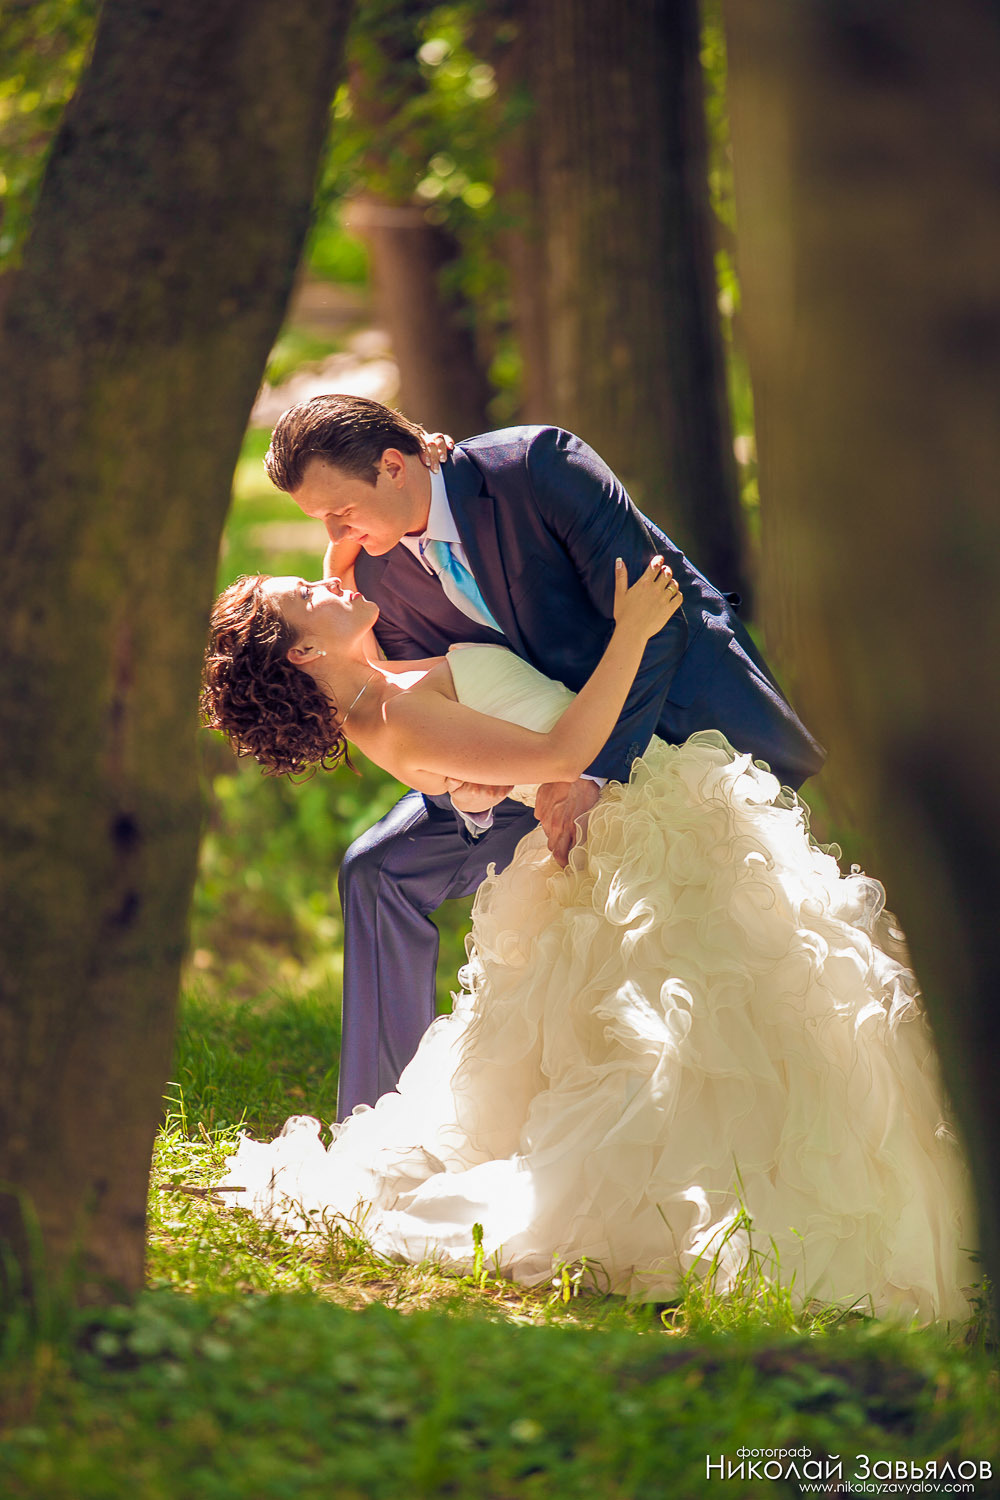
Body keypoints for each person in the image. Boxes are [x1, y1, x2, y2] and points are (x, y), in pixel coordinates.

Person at [201, 557, 973, 1321]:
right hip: (627, 824)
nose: (326, 576)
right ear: (304, 653)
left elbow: (472, 735)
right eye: (306, 593)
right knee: (711, 1023)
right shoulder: (392, 714)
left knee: (739, 1014)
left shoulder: (378, 685)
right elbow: (561, 755)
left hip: (629, 807)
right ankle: (711, 1212)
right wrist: (632, 633)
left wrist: (348, 562)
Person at [260, 394, 826, 1119]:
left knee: (718, 915)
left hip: (663, 715)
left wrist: (589, 776)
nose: (334, 538)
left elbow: (660, 619)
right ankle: (376, 1116)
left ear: (393, 467)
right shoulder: (369, 578)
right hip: (529, 757)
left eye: (338, 513)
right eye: (321, 523)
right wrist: (473, 791)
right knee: (377, 868)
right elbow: (437, 715)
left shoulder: (538, 467)